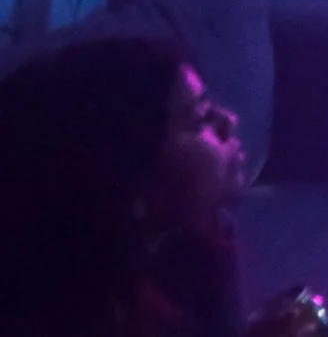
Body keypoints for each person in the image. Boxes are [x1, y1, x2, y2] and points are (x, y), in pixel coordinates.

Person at [0, 37, 257, 337]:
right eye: (199, 118)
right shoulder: (66, 316)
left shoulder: (201, 242)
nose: (229, 120)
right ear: (130, 175)